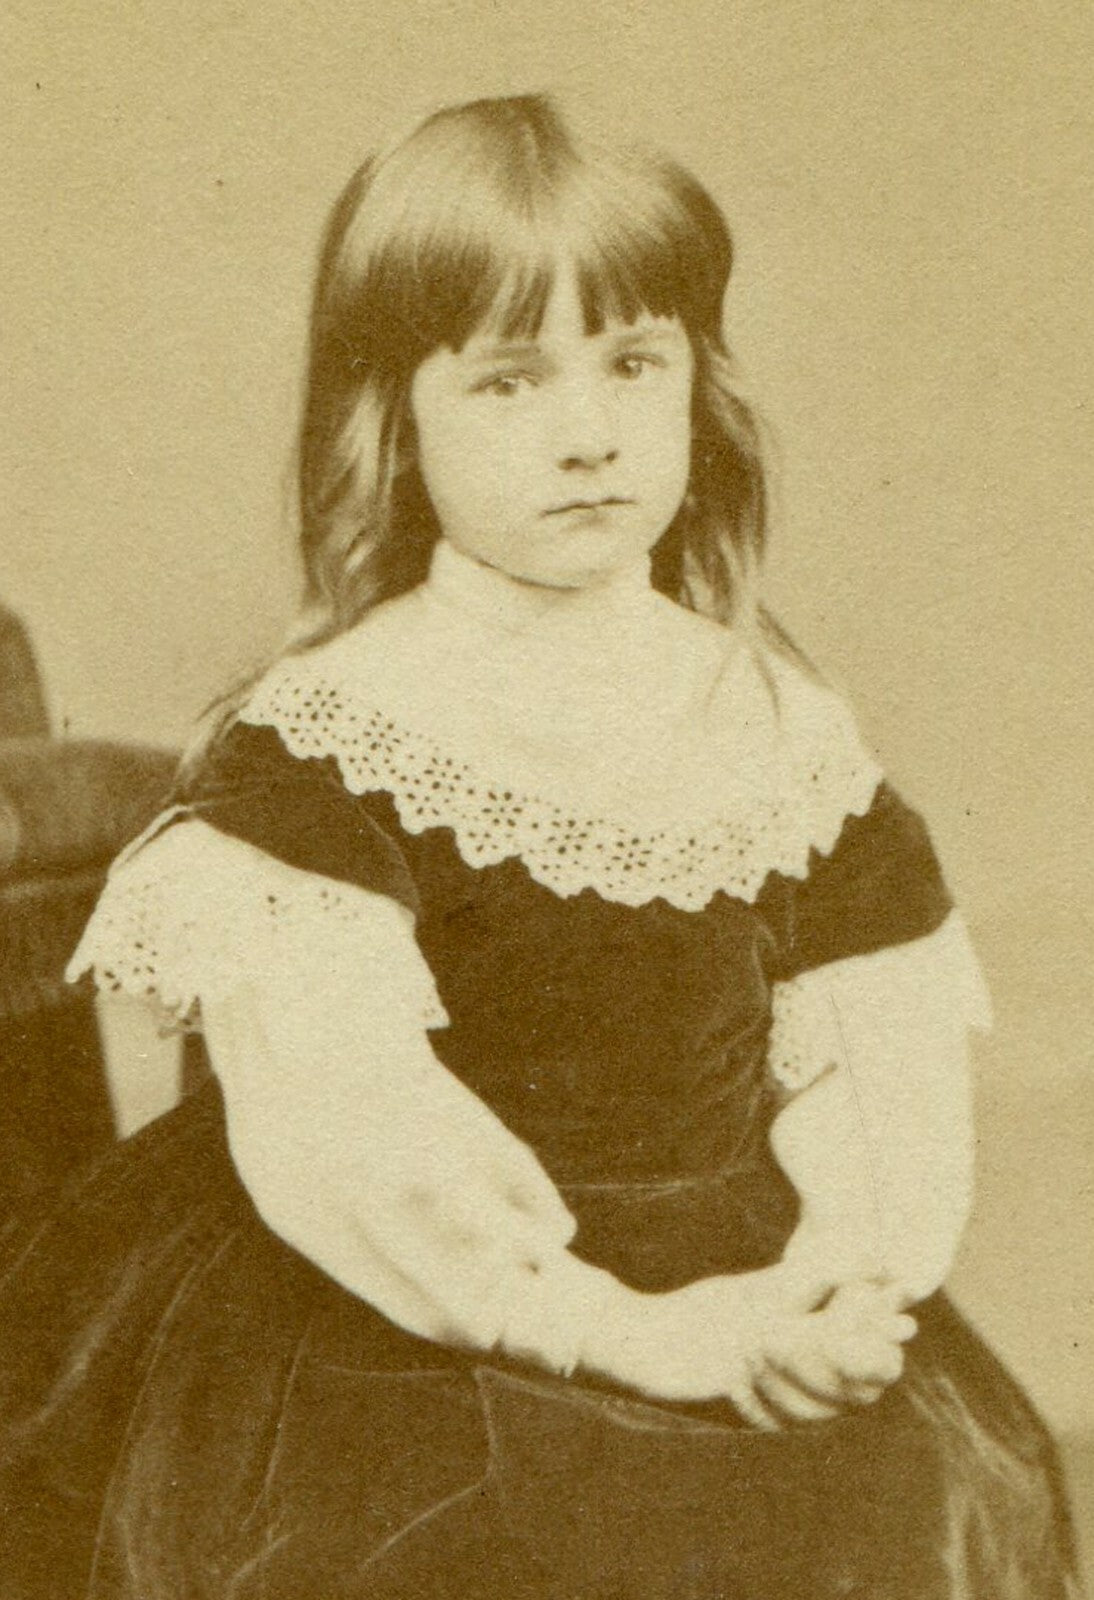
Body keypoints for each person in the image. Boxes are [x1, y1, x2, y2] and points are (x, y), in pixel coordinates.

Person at [0, 94, 1078, 1599]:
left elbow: (871, 1049)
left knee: (906, 1499)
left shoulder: (774, 721)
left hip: (748, 1258)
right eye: (508, 384)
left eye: (633, 365)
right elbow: (354, 1123)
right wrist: (622, 1331)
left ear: (695, 389)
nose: (587, 437)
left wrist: (845, 1284)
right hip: (426, 1302)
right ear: (395, 420)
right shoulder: (336, 734)